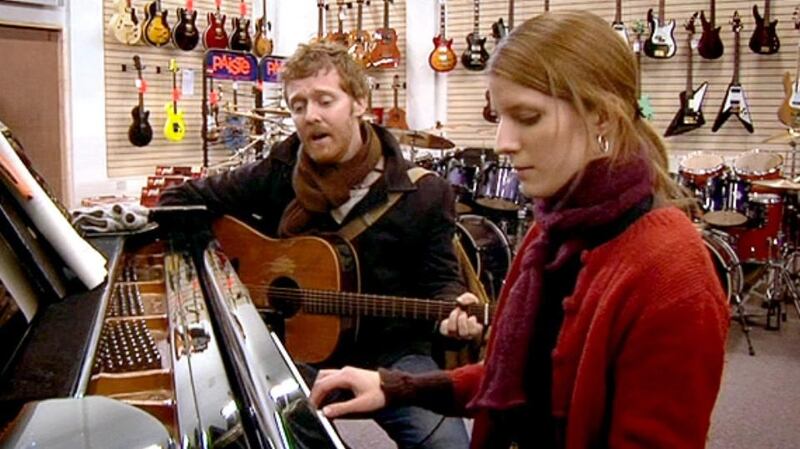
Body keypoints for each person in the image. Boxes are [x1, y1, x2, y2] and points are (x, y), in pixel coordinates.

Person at [309, 11, 730, 449]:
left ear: (602, 117)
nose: (502, 141)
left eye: (527, 117)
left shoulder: (672, 273)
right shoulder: (552, 230)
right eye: (500, 117)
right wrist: (397, 388)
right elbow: (518, 378)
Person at [157, 42, 471, 448]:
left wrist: (455, 309)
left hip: (394, 356)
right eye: (298, 105)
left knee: (448, 446)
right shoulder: (279, 171)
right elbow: (178, 200)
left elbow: (441, 282)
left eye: (325, 100)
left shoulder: (424, 193)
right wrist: (222, 261)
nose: (311, 116)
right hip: (297, 355)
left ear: (359, 102)